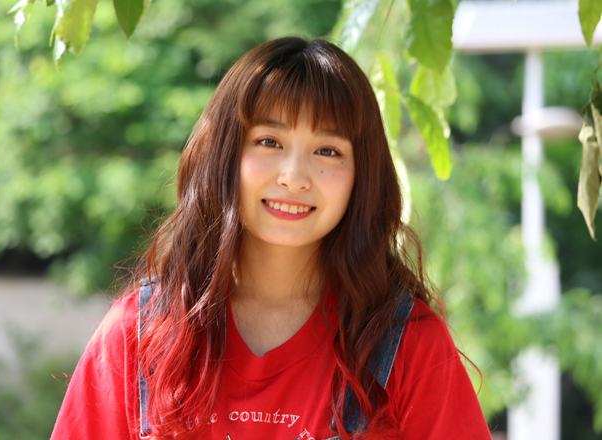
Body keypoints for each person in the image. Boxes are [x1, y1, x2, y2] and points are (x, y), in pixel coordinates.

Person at [51, 37, 491, 440]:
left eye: (328, 150)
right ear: (224, 154)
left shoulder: (409, 347)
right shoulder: (139, 335)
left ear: (363, 176)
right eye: (269, 141)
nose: (294, 177)